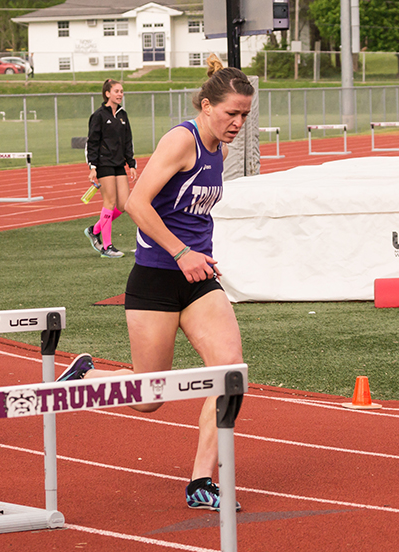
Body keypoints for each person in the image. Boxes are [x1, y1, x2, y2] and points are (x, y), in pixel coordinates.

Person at [58, 54, 253, 512]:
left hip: (198, 280)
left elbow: (192, 213)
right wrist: (181, 252)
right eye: (232, 113)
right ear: (207, 106)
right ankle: (88, 374)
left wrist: (196, 256)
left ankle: (202, 480)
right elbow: (137, 203)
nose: (239, 123)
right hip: (157, 278)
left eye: (245, 115)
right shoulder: (181, 141)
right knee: (149, 398)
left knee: (230, 372)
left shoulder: (220, 153)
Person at [83, 79, 136, 259]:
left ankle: (94, 230)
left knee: (124, 204)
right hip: (103, 163)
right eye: (116, 91)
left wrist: (131, 163)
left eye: (121, 91)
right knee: (110, 202)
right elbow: (92, 143)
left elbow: (127, 141)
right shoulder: (98, 116)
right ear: (107, 94)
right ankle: (107, 246)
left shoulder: (123, 115)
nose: (120, 94)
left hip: (119, 164)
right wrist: (93, 167)